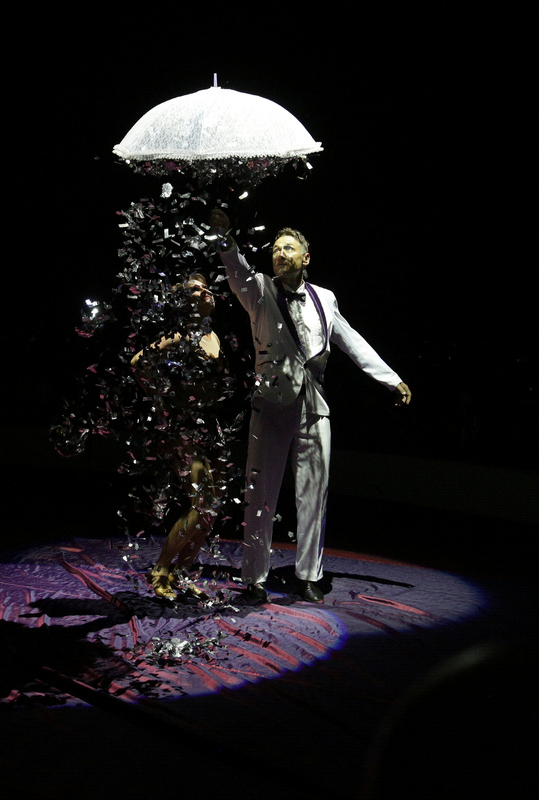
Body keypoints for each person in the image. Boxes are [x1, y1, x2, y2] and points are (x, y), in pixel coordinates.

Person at [210, 209, 411, 603]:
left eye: (289, 248)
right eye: (276, 248)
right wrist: (224, 239)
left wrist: (390, 378)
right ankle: (255, 579)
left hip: (314, 406)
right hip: (270, 404)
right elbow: (236, 270)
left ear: (306, 258)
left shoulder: (326, 298)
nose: (279, 253)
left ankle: (307, 576)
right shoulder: (259, 289)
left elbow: (351, 340)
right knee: (260, 494)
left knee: (313, 494)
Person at [130, 274, 227, 601]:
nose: (205, 291)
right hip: (186, 427)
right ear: (185, 302)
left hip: (210, 426)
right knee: (201, 504)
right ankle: (160, 570)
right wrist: (162, 400)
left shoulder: (213, 336)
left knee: (212, 508)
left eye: (205, 287)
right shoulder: (180, 335)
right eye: (195, 290)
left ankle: (183, 574)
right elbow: (138, 362)